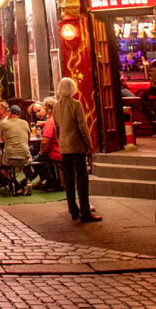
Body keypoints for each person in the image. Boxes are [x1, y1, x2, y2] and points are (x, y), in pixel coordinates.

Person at [52, 77, 102, 222]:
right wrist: (89, 143)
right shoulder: (76, 104)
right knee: (82, 178)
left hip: (64, 146)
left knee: (68, 179)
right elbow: (82, 126)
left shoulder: (55, 106)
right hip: (76, 145)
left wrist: (60, 141)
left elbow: (57, 127)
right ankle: (85, 212)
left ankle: (73, 210)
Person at [0, 104, 32, 194]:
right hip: (24, 155)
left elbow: (2, 139)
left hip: (10, 156)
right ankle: (27, 181)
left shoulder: (3, 124)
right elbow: (28, 139)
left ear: (10, 113)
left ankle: (16, 185)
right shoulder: (25, 123)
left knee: (2, 168)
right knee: (28, 163)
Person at [30, 96, 62, 190]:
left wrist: (41, 152)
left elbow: (45, 141)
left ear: (47, 109)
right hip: (62, 149)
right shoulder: (58, 118)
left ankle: (51, 181)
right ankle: (48, 181)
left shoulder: (49, 121)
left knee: (34, 162)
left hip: (54, 152)